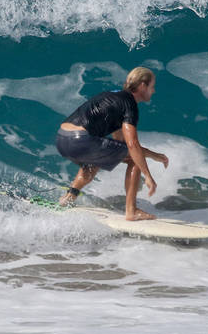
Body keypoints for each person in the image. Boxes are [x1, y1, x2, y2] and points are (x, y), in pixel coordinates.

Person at [55, 66, 169, 221]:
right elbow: (132, 145)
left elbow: (120, 145)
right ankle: (132, 211)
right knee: (135, 161)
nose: (153, 91)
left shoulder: (112, 96)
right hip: (81, 140)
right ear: (142, 85)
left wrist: (155, 155)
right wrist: (148, 176)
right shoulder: (129, 104)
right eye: (152, 86)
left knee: (94, 164)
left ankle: (68, 198)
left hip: (62, 139)